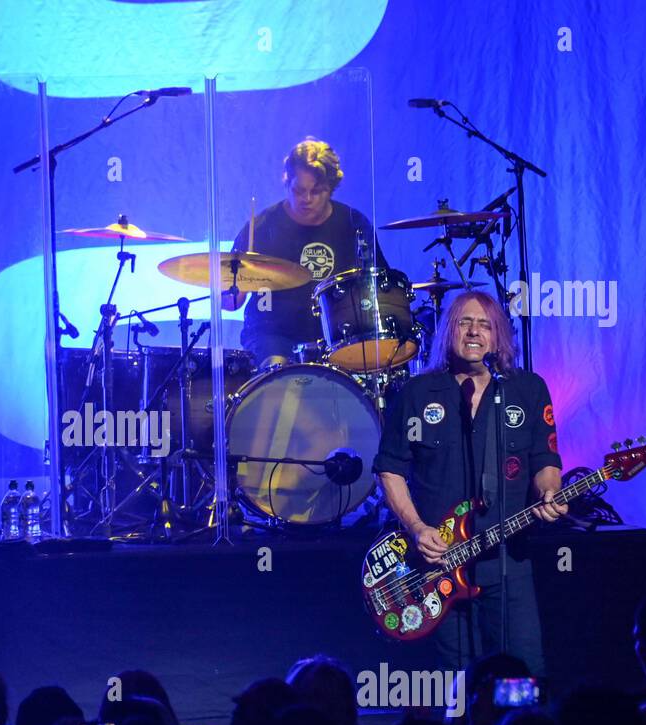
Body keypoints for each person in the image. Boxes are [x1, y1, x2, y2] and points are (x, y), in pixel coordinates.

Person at [372, 290, 565, 674]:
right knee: (455, 682)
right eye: (465, 322)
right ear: (449, 332)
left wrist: (550, 490)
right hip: (439, 564)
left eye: (484, 324)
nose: (474, 332)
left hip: (508, 558)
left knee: (523, 673)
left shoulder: (526, 390)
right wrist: (416, 528)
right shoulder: (417, 394)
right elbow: (389, 469)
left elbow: (545, 459)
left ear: (498, 335)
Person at [224, 138, 387, 367]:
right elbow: (231, 302)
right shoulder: (261, 227)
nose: (307, 199)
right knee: (277, 371)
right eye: (298, 190)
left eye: (317, 191)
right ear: (286, 182)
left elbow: (378, 286)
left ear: (331, 188)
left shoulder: (354, 223)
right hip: (272, 334)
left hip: (338, 337)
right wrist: (223, 289)